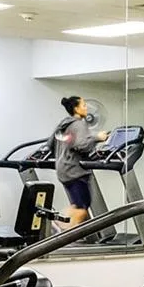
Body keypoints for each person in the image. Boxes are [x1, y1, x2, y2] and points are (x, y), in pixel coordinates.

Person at [52, 96, 102, 228]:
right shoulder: (79, 124)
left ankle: (58, 224)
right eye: (84, 105)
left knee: (77, 203)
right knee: (82, 207)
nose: (87, 108)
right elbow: (81, 145)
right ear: (76, 108)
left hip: (63, 169)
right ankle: (61, 230)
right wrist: (98, 138)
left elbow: (50, 143)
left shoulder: (64, 124)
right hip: (75, 171)